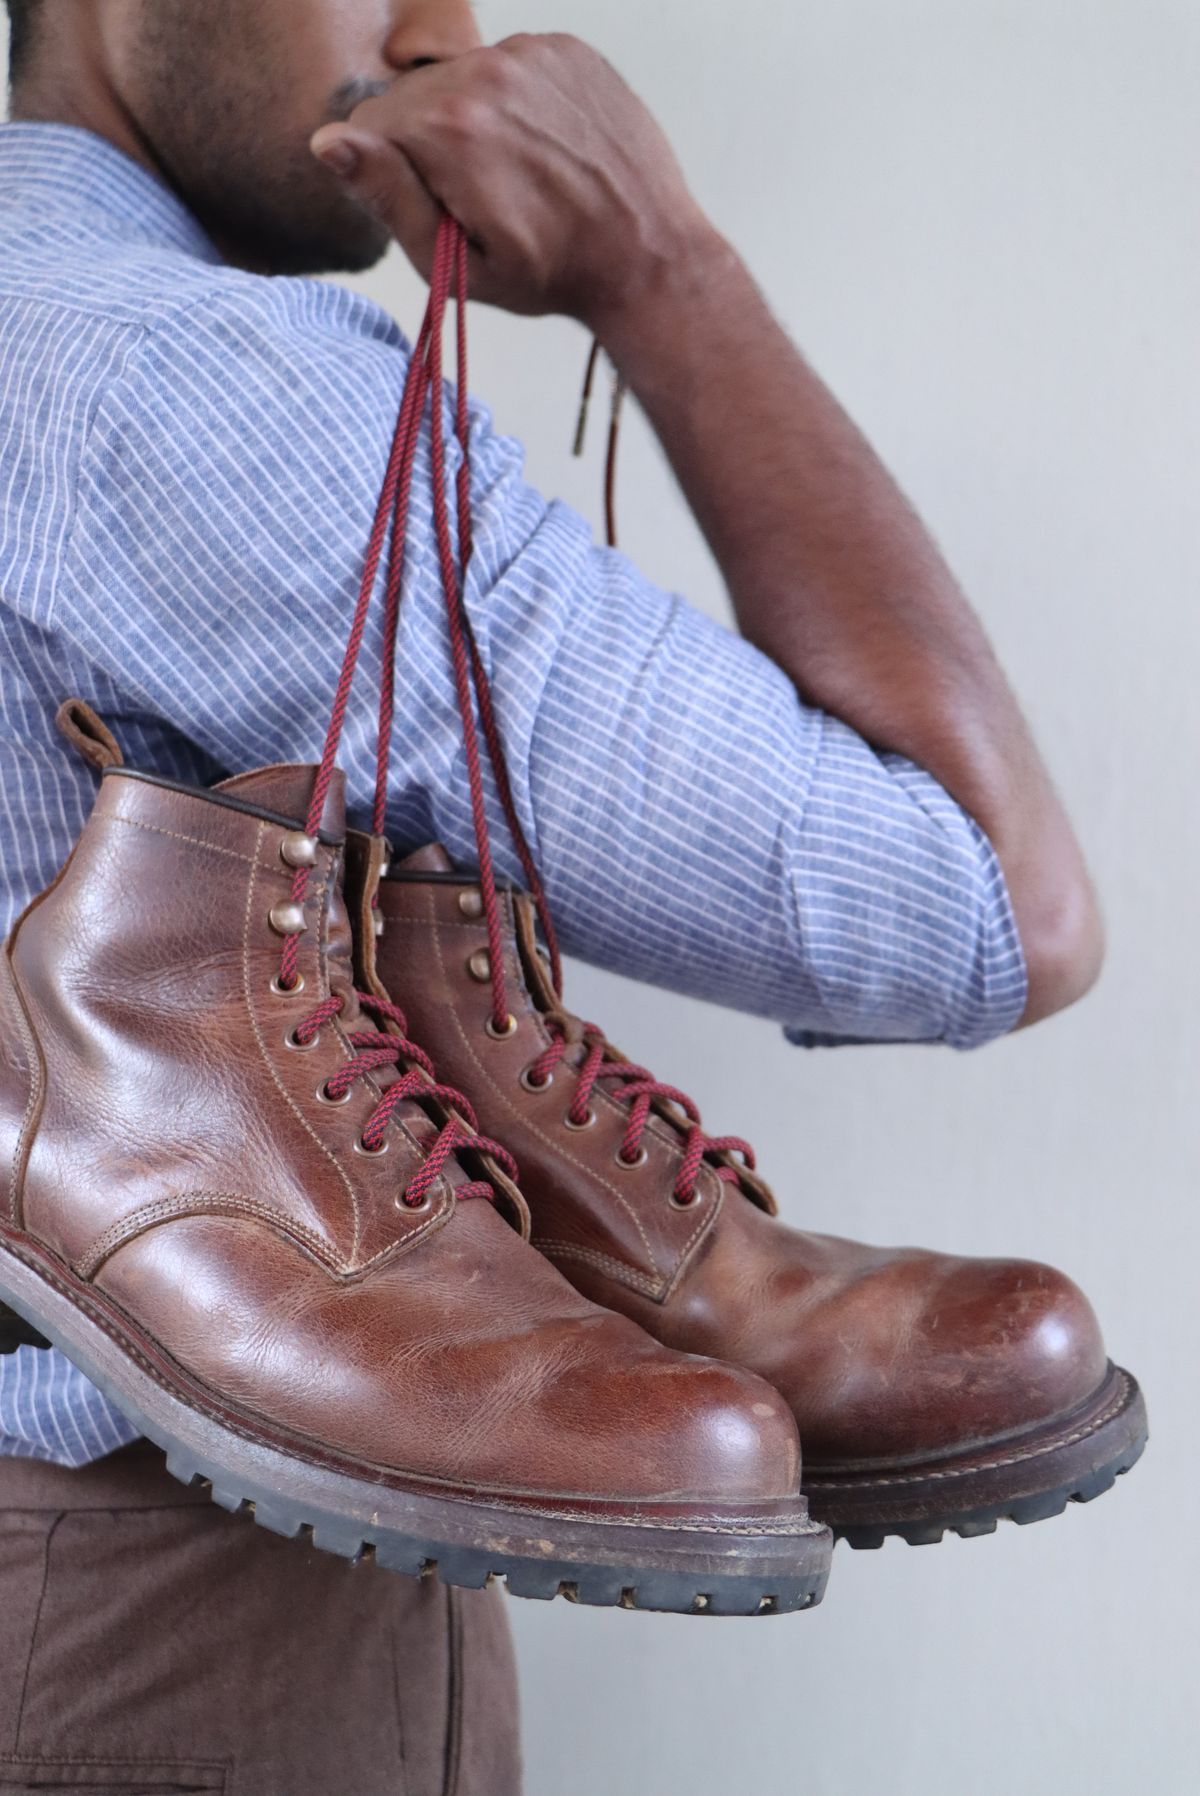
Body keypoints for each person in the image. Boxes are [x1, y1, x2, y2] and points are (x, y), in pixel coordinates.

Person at [0, 1, 1105, 1788]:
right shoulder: (173, 374)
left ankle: (465, 1087)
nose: (441, 28)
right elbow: (989, 905)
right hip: (170, 1603)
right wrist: (661, 262)